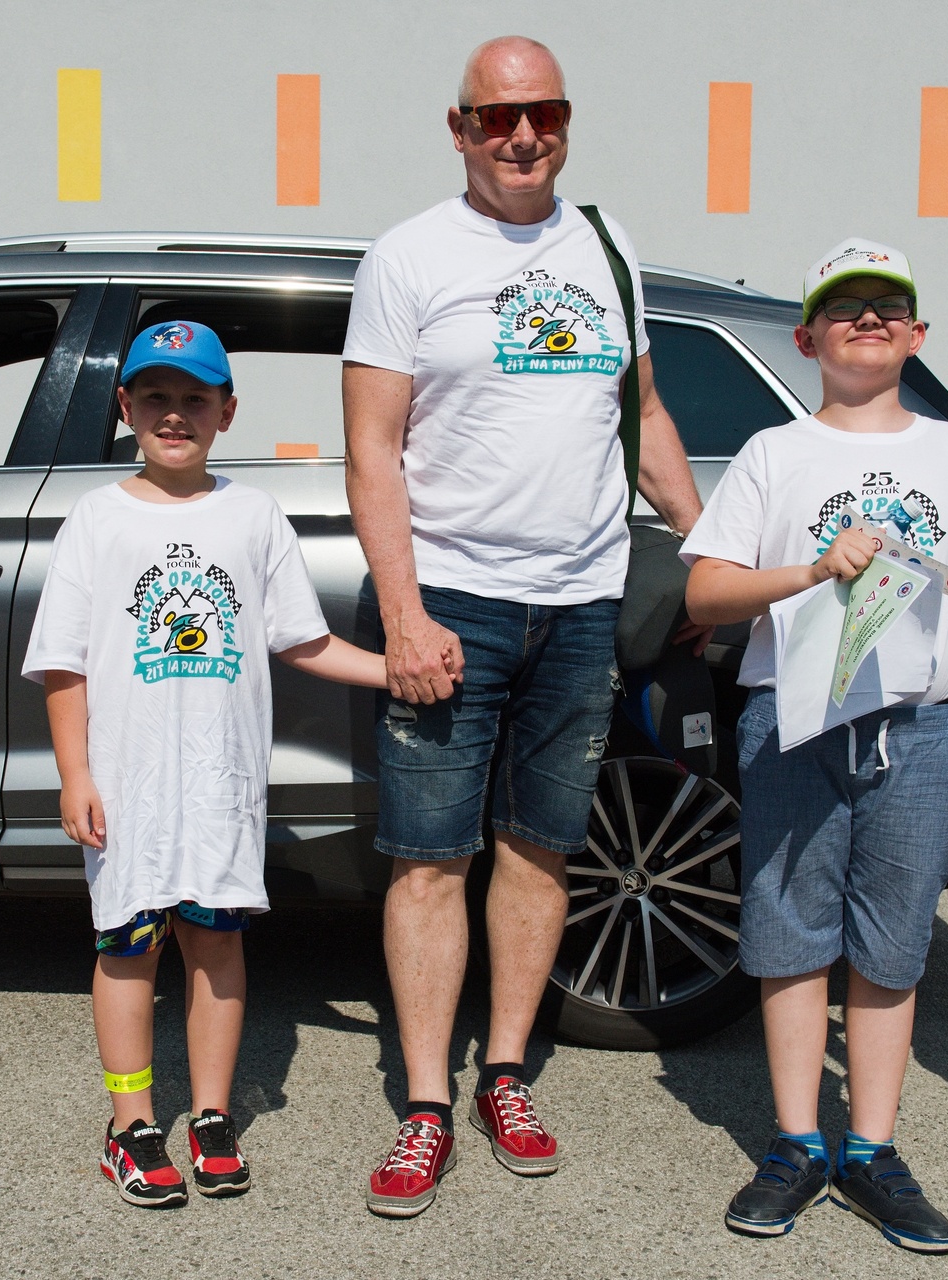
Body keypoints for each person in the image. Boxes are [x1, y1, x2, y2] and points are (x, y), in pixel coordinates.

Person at [342, 35, 707, 1219]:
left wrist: (706, 547)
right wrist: (404, 612)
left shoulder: (607, 246)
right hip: (452, 601)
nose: (521, 135)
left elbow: (642, 412)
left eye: (542, 111)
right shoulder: (408, 256)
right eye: (495, 117)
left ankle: (505, 1073)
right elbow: (371, 450)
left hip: (584, 602)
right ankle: (427, 1102)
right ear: (459, 129)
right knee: (429, 859)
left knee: (542, 848)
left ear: (566, 119)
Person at [681, 239, 948, 1254]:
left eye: (888, 306)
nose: (868, 320)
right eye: (845, 307)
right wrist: (808, 570)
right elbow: (706, 593)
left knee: (892, 940)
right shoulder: (773, 453)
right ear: (807, 339)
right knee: (789, 930)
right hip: (797, 721)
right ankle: (796, 1141)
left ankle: (873, 1147)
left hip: (920, 729)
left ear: (917, 335)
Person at [22, 320, 386, 1209]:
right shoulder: (96, 518)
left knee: (216, 943)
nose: (174, 414)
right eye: (156, 396)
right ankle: (131, 1125)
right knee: (128, 946)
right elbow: (63, 662)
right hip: (127, 786)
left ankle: (213, 1115)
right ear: (125, 407)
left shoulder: (252, 514)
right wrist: (75, 774)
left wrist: (396, 671)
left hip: (220, 785)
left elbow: (301, 639)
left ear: (228, 411)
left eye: (195, 397)